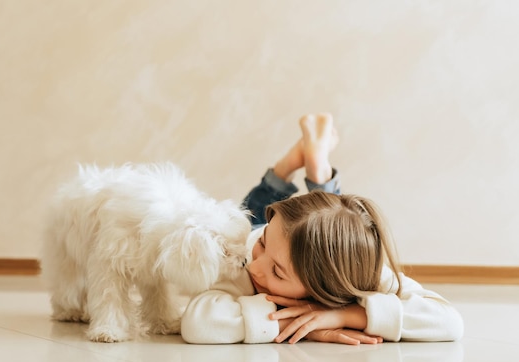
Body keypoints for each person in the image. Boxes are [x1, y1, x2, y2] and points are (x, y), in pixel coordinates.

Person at [180, 113, 464, 345]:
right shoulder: (243, 259)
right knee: (249, 217)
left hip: (290, 239)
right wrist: (290, 321)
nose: (257, 268)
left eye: (278, 272)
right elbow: (197, 323)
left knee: (334, 223)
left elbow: (449, 321)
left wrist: (346, 315)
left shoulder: (361, 273)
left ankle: (297, 167)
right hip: (256, 230)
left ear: (329, 288)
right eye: (264, 246)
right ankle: (308, 173)